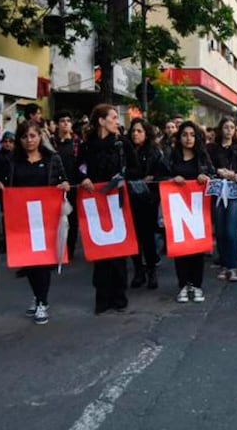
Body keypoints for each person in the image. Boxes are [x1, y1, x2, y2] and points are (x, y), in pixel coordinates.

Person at [0, 121, 70, 324]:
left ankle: (42, 303)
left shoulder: (52, 158)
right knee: (28, 261)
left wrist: (64, 185)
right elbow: (2, 182)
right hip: (21, 218)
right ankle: (37, 296)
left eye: (33, 136)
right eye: (25, 137)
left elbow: (63, 180)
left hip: (46, 217)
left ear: (40, 137)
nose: (29, 140)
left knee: (43, 262)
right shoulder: (12, 161)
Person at [78, 104, 141, 315]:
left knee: (118, 251)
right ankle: (102, 298)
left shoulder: (122, 144)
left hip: (118, 201)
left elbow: (135, 168)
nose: (117, 121)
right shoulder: (87, 145)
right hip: (95, 203)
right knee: (101, 251)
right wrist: (83, 178)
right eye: (113, 117)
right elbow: (78, 167)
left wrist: (123, 178)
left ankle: (119, 296)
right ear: (101, 121)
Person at [169, 121, 214, 303]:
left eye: (192, 135)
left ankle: (196, 285)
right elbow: (160, 177)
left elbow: (213, 175)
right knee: (180, 248)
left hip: (197, 209)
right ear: (179, 138)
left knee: (196, 248)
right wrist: (173, 178)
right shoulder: (172, 157)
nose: (189, 138)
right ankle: (183, 285)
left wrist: (206, 177)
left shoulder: (202, 157)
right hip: (177, 210)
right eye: (185, 135)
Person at [128, 118, 168, 290]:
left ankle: (151, 270)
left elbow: (165, 174)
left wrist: (153, 179)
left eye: (139, 131)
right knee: (132, 238)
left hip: (148, 201)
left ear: (146, 133)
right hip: (128, 200)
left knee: (147, 238)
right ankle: (138, 271)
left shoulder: (155, 152)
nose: (135, 134)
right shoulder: (126, 151)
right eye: (133, 131)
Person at [206, 117, 237, 282]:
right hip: (217, 191)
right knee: (220, 231)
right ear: (221, 129)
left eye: (232, 127)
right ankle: (223, 264)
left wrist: (234, 175)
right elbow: (207, 167)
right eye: (226, 127)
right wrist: (218, 172)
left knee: (230, 231)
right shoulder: (212, 149)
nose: (229, 130)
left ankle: (232, 266)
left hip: (234, 192)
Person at [52, 111, 82, 260]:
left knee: (72, 219)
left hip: (74, 186)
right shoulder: (52, 143)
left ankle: (69, 250)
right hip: (55, 187)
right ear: (57, 124)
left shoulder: (78, 143)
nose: (65, 123)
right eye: (62, 120)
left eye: (68, 120)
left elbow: (82, 165)